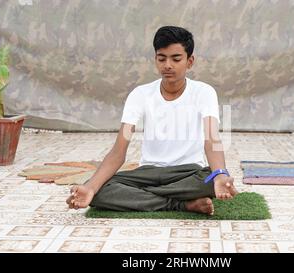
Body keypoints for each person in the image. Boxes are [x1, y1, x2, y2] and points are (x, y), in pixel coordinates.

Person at [66, 26, 237, 215]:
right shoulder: (140, 94)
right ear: (155, 59)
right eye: (161, 58)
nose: (168, 65)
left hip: (189, 173)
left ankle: (144, 198)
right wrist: (91, 187)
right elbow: (118, 151)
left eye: (176, 59)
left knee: (210, 179)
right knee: (99, 190)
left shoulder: (204, 92)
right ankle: (182, 204)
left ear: (190, 61)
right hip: (148, 173)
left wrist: (220, 174)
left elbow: (212, 140)